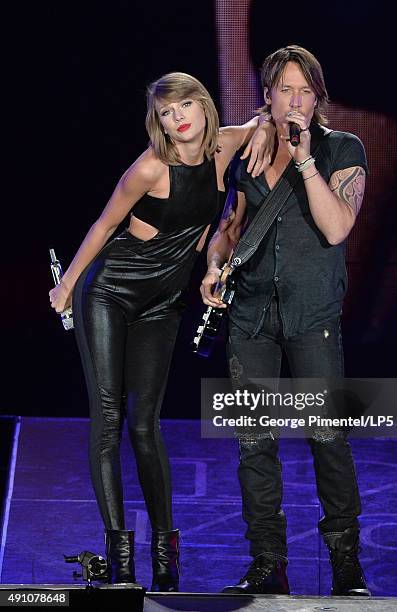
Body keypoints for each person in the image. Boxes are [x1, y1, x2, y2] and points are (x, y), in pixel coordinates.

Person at [49, 71, 274, 590]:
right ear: (160, 123)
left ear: (202, 105)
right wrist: (68, 287)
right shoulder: (151, 167)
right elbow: (104, 225)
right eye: (168, 113)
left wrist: (262, 126)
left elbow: (263, 120)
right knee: (107, 420)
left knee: (145, 424)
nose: (180, 118)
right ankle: (120, 555)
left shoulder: (224, 146)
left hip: (164, 303)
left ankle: (166, 552)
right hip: (109, 291)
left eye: (186, 105)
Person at [201, 45, 370, 596]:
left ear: (317, 98)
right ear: (268, 96)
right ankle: (267, 562)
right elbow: (232, 225)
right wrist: (215, 265)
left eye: (305, 91)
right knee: (254, 442)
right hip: (250, 317)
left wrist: (302, 159)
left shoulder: (343, 148)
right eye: (284, 90)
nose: (294, 100)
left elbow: (337, 227)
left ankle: (346, 564)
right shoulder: (249, 149)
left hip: (312, 317)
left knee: (327, 438)